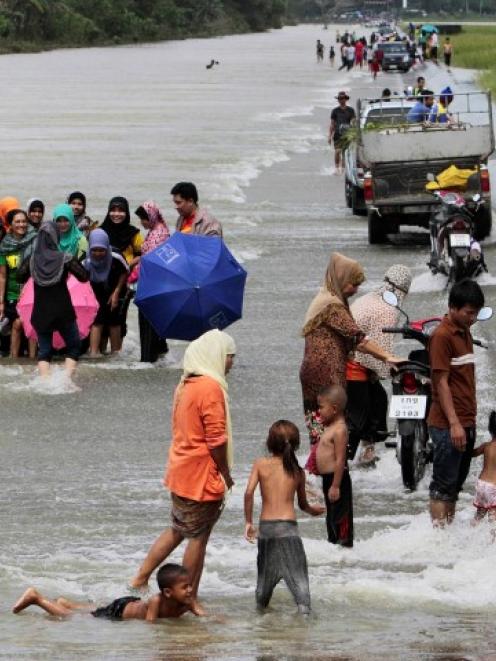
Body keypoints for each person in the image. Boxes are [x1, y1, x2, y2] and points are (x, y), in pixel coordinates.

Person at [129, 330, 236, 615]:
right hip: (200, 474)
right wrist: (225, 474)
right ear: (215, 356)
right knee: (198, 536)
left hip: (180, 467)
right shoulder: (210, 388)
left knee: (179, 529)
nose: (231, 364)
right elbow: (216, 440)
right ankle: (188, 599)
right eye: (229, 358)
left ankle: (140, 578)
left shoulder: (185, 384)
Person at [300, 253, 403, 472]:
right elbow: (359, 339)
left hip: (315, 370)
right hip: (326, 374)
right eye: (352, 284)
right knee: (333, 424)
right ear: (339, 279)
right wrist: (387, 356)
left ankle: (318, 473)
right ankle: (327, 472)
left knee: (320, 425)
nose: (356, 290)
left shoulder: (327, 296)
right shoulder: (332, 306)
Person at [244, 420, 325, 615]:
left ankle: (262, 629)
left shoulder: (260, 464)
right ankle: (304, 630)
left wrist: (248, 522)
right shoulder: (297, 472)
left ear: (269, 443)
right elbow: (303, 506)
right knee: (301, 592)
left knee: (263, 590)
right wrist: (316, 511)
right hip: (289, 530)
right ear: (295, 445)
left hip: (267, 530)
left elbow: (248, 493)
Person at [428, 279, 485, 526]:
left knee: (455, 485)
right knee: (443, 486)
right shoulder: (442, 336)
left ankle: (447, 533)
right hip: (447, 424)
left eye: (476, 313)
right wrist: (454, 424)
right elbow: (441, 383)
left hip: (466, 419)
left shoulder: (465, 331)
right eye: (468, 312)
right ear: (452, 307)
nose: (472, 317)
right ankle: (439, 538)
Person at [347, 265, 412, 464]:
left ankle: (366, 452)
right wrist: (390, 370)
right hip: (353, 367)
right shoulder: (387, 310)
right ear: (403, 290)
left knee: (378, 399)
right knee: (357, 419)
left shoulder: (367, 298)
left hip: (346, 360)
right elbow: (380, 351)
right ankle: (344, 460)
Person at [18, 220, 89, 378]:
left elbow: (19, 276)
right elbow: (84, 277)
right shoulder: (65, 258)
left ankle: (45, 381)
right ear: (56, 236)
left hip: (41, 312)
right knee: (74, 347)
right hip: (63, 310)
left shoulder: (32, 260)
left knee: (44, 351)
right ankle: (66, 380)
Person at [12, 564, 198, 621]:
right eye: (185, 587)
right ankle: (36, 598)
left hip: (129, 602)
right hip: (120, 611)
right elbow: (152, 626)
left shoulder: (188, 602)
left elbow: (206, 616)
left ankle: (65, 602)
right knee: (75, 619)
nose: (190, 590)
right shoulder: (157, 601)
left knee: (94, 610)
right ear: (167, 592)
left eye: (190, 585)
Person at [133, 201, 170, 363]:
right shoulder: (156, 231)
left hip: (153, 286)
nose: (142, 222)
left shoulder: (158, 234)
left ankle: (148, 360)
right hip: (153, 284)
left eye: (144, 219)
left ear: (152, 217)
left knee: (148, 321)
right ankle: (159, 353)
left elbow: (154, 261)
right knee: (153, 322)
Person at [316, 385, 353, 547]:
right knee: (331, 516)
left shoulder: (340, 430)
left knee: (341, 517)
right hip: (328, 479)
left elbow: (340, 459)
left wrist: (336, 485)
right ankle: (333, 545)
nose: (319, 411)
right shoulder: (330, 427)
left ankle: (344, 547)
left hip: (337, 479)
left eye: (321, 407)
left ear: (334, 408)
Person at [83, 229, 129, 357]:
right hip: (95, 290)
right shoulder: (85, 261)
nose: (97, 253)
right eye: (94, 250)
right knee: (97, 321)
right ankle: (93, 353)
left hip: (115, 288)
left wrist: (116, 292)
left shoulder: (116, 256)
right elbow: (82, 280)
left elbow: (125, 272)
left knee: (114, 322)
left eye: (101, 250)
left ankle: (116, 355)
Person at [0, 209, 38, 358]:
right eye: (18, 222)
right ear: (11, 224)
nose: (22, 224)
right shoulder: (5, 246)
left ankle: (32, 359)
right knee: (16, 324)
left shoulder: (35, 240)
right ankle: (14, 359)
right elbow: (2, 276)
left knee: (28, 324)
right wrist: (1, 301)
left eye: (24, 221)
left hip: (32, 293)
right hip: (12, 293)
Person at [100, 196, 143, 266]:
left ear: (127, 212)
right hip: (104, 272)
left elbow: (142, 254)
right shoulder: (100, 232)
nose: (116, 214)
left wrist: (128, 266)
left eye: (121, 211)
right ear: (108, 212)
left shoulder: (133, 233)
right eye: (113, 210)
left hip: (128, 273)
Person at [472, 411, 496, 528]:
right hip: (493, 487)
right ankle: (492, 544)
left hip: (481, 484)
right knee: (494, 520)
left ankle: (470, 532)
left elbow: (472, 453)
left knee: (479, 514)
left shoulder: (486, 446)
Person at [328, 92, 355, 174]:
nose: (341, 100)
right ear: (338, 100)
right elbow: (332, 124)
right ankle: (336, 168)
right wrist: (329, 136)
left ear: (346, 99)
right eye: (340, 98)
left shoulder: (351, 110)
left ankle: (343, 169)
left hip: (347, 134)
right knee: (337, 151)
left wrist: (354, 134)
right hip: (337, 134)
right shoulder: (335, 111)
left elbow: (353, 122)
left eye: (343, 98)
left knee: (344, 153)